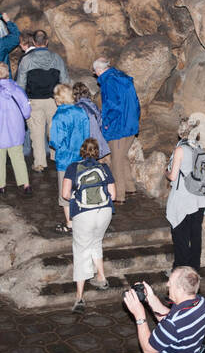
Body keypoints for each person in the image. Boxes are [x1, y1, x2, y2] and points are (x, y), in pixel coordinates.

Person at [61, 137, 113, 313]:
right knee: (96, 242)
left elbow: (65, 194)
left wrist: (78, 197)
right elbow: (112, 194)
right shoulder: (104, 167)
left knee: (81, 251)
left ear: (81, 151)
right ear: (97, 152)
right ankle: (101, 277)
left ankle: (80, 298)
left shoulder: (73, 168)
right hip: (104, 212)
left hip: (84, 213)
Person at [15, 30, 70, 172]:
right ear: (46, 42)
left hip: (34, 101)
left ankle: (39, 163)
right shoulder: (57, 58)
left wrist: (22, 102)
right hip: (54, 101)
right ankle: (57, 157)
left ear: (34, 42)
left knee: (36, 133)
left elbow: (21, 84)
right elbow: (65, 81)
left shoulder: (26, 60)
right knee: (55, 130)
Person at [166, 117, 205, 271]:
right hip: (199, 199)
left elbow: (172, 176)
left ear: (181, 132)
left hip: (184, 201)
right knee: (195, 237)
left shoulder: (180, 149)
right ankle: (194, 270)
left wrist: (165, 172)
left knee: (181, 238)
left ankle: (180, 271)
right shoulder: (198, 147)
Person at [93, 57, 140, 203]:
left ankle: (118, 196)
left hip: (118, 127)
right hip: (131, 124)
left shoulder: (108, 82)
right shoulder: (122, 77)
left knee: (116, 161)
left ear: (99, 70)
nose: (95, 75)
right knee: (122, 156)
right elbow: (136, 102)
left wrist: (106, 124)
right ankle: (130, 187)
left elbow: (113, 107)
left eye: (95, 72)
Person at [0, 62, 33, 197]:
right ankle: (26, 185)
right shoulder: (19, 90)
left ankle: (0, 185)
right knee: (18, 158)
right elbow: (27, 112)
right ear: (7, 72)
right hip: (17, 131)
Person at [48, 83, 90, 231]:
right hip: (81, 157)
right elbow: (87, 135)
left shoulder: (59, 116)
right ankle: (84, 219)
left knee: (65, 193)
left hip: (65, 160)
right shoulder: (81, 112)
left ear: (58, 98)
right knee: (80, 189)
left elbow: (55, 141)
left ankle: (70, 223)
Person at [71, 82, 110, 161]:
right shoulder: (92, 105)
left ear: (74, 95)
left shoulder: (77, 108)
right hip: (96, 139)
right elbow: (100, 121)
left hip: (84, 140)